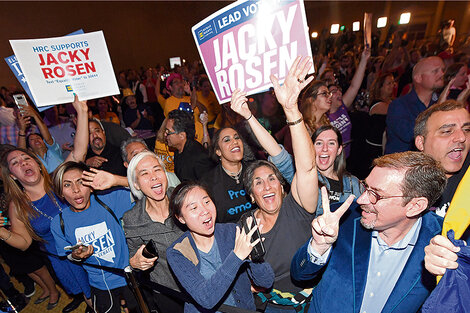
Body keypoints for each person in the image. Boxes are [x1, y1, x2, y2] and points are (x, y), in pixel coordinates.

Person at [291, 151, 447, 313]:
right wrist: (318, 247)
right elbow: (300, 275)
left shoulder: (443, 242)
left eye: (376, 195)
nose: (361, 199)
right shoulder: (341, 219)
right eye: (365, 187)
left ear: (415, 206)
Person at [241, 56, 319, 312]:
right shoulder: (245, 225)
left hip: (315, 304)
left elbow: (306, 168)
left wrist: (291, 109)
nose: (266, 186)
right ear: (252, 196)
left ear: (283, 187)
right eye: (258, 182)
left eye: (272, 179)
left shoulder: (297, 207)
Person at [0, 95, 91, 312]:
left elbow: (79, 152)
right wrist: (1, 231)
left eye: (26, 159)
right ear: (12, 176)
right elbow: (23, 243)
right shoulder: (18, 205)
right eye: (15, 163)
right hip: (64, 259)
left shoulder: (59, 179)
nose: (23, 163)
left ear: (38, 165)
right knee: (91, 298)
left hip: (91, 240)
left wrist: (83, 112)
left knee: (113, 291)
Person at [166, 181, 275, 313]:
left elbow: (266, 282)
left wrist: (255, 255)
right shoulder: (178, 252)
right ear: (181, 218)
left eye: (206, 202)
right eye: (194, 208)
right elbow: (206, 298)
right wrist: (237, 256)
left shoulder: (232, 231)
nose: (205, 211)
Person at [50, 161, 137, 313]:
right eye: (67, 185)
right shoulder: (59, 223)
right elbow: (67, 255)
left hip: (130, 275)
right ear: (60, 192)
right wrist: (76, 255)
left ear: (91, 185)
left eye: (81, 182)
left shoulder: (107, 199)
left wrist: (116, 180)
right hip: (100, 284)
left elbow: (144, 188)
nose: (76, 190)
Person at [123, 151, 185, 312]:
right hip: (168, 292)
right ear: (136, 184)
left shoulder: (184, 198)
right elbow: (134, 256)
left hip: (204, 282)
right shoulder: (132, 219)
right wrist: (135, 263)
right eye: (144, 173)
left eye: (157, 169)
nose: (154, 176)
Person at [414, 100, 470, 215]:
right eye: (447, 131)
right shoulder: (403, 185)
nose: (461, 137)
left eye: (467, 130)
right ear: (421, 142)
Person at [385, 56, 445, 154]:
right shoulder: (399, 105)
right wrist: (437, 109)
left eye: (443, 70)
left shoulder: (439, 101)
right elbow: (408, 135)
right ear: (418, 78)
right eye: (435, 71)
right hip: (401, 166)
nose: (442, 74)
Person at [327, 47, 370, 158]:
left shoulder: (342, 108)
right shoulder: (323, 117)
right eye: (334, 91)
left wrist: (364, 59)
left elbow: (354, 86)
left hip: (347, 159)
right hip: (332, 162)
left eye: (339, 90)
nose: (339, 93)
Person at [313, 125, 363, 216]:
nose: (324, 148)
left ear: (339, 150)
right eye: (319, 143)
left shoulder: (352, 183)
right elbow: (282, 160)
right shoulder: (302, 179)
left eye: (331, 143)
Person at [165, 109, 214, 182]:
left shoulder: (199, 157)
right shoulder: (178, 151)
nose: (165, 134)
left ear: (182, 135)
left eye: (168, 132)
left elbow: (208, 186)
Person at [17, 102, 64, 173]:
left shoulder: (53, 151)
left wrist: (35, 115)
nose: (36, 140)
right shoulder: (32, 160)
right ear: (30, 149)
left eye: (38, 138)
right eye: (32, 140)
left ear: (44, 143)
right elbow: (21, 153)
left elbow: (47, 137)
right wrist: (22, 130)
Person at [366, 73, 396, 163]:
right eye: (389, 83)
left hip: (386, 145)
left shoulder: (393, 101)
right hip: (375, 147)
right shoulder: (377, 104)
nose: (392, 85)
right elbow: (394, 111)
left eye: (393, 83)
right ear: (380, 87)